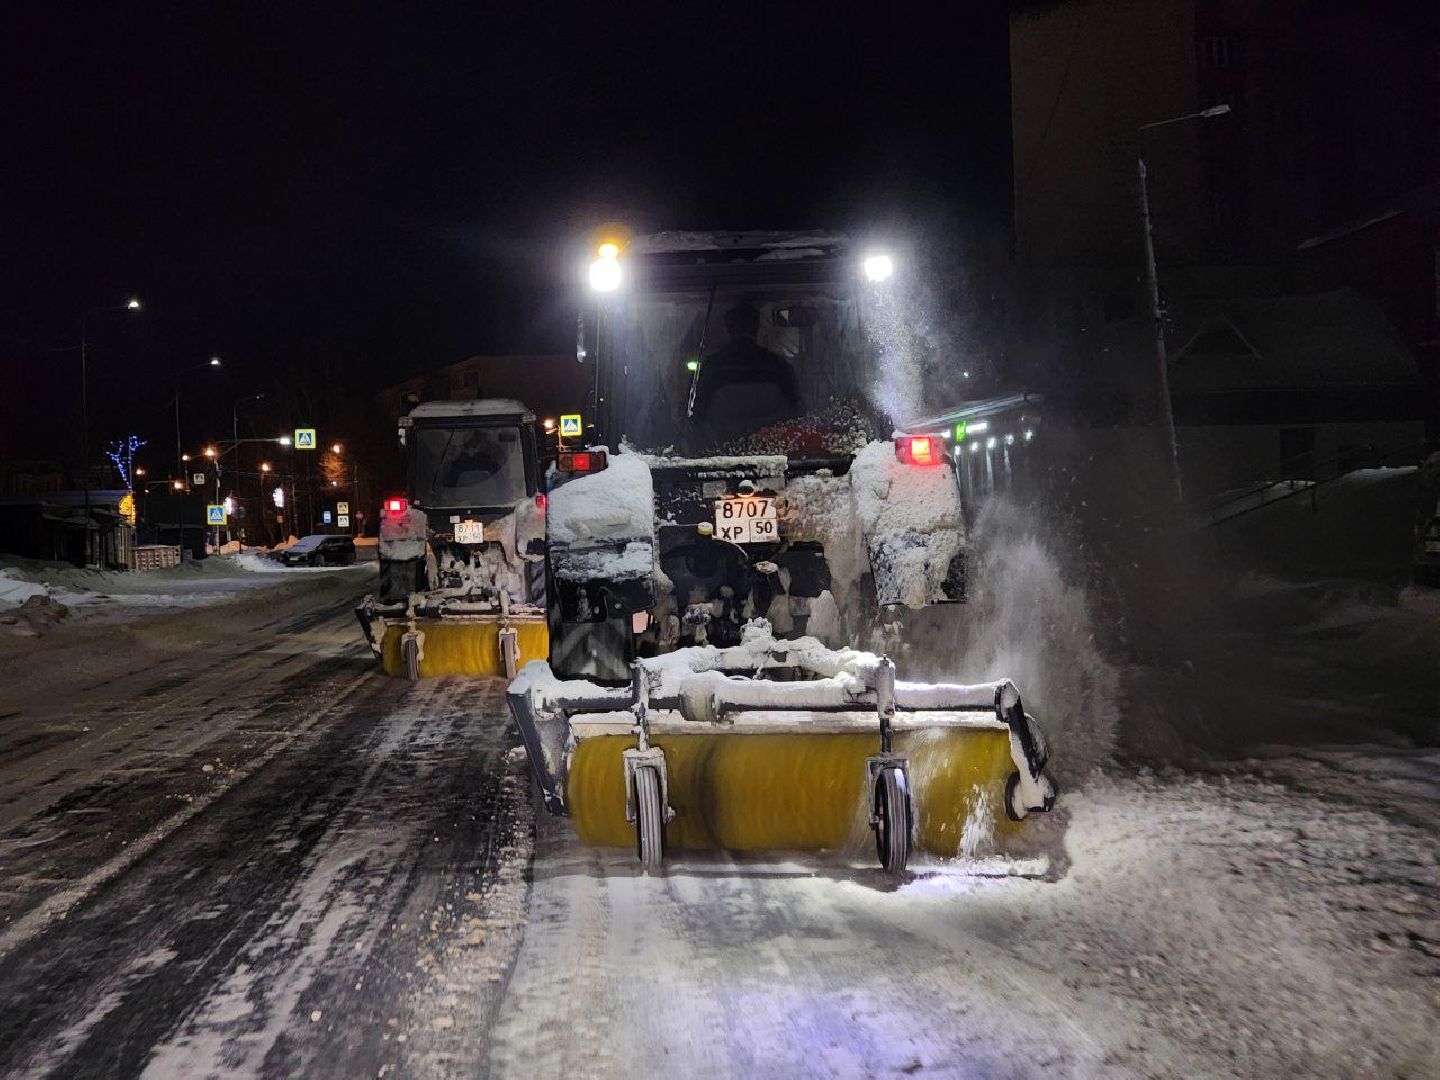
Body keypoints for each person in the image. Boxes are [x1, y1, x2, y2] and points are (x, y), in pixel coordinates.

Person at [691, 303, 800, 422]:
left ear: (728, 329)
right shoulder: (779, 367)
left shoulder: (711, 368)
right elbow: (797, 413)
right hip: (776, 440)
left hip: (716, 439)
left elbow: (697, 417)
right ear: (757, 328)